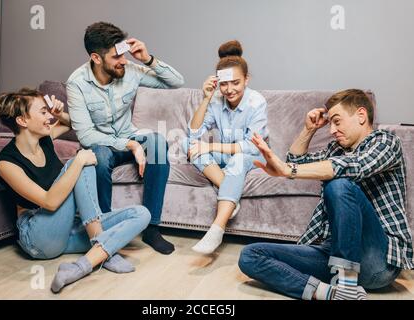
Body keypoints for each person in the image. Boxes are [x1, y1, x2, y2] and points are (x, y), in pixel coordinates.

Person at [238, 89, 414, 300]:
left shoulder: (386, 142)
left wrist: (288, 170)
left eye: (337, 121)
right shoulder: (335, 150)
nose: (332, 130)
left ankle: (347, 283)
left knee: (339, 183)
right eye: (330, 123)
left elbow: (353, 166)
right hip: (333, 254)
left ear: (361, 115)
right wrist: (308, 129)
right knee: (250, 255)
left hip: (376, 261)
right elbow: (296, 161)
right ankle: (330, 293)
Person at [0, 88, 151, 293]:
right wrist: (78, 162)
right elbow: (49, 202)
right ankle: (102, 245)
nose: (49, 116)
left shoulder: (44, 140)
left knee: (141, 213)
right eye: (43, 112)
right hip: (38, 238)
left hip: (66, 229)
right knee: (81, 161)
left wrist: (59, 114)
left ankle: (81, 266)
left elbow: (71, 124)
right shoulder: (6, 163)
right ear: (22, 121)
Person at [66, 22, 185, 255]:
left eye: (123, 53)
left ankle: (151, 228)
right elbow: (86, 135)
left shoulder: (129, 69)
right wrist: (129, 145)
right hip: (102, 145)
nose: (123, 60)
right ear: (96, 58)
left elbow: (176, 82)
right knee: (97, 155)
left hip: (128, 136)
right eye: (115, 57)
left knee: (159, 144)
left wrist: (148, 59)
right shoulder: (77, 82)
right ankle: (105, 229)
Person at [182, 40, 269, 254]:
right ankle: (229, 188)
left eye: (236, 83)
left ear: (246, 80)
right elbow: (194, 133)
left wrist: (210, 148)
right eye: (224, 84)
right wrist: (206, 99)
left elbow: (250, 146)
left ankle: (217, 229)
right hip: (226, 155)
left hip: (253, 156)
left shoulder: (256, 102)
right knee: (187, 143)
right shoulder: (216, 100)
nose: (229, 90)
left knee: (238, 159)